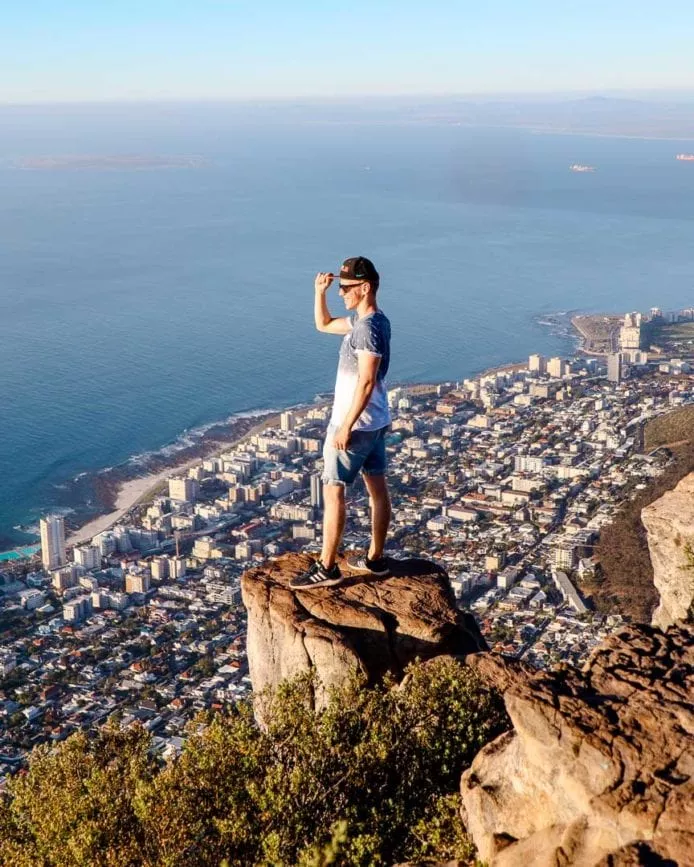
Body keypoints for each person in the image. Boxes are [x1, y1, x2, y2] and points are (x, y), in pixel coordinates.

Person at [290, 256, 392, 590]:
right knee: (377, 490)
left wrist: (346, 426)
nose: (342, 293)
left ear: (365, 288)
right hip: (375, 422)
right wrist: (319, 291)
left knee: (333, 492)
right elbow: (323, 325)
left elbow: (366, 381)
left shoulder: (366, 328)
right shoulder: (371, 321)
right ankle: (375, 559)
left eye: (346, 287)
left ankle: (327, 567)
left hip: (357, 425)